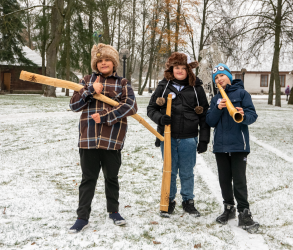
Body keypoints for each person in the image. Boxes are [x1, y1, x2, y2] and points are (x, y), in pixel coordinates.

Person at [68, 43, 137, 233]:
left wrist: (106, 117)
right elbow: (74, 106)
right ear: (95, 64)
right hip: (88, 139)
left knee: (111, 178)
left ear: (114, 63)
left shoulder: (122, 83)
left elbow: (131, 106)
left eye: (107, 60)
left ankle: (114, 211)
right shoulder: (86, 81)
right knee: (88, 179)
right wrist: (90, 90)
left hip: (112, 140)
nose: (103, 63)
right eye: (100, 61)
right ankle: (82, 217)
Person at [147, 52, 210, 218]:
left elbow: (204, 115)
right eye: (177, 67)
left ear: (189, 70)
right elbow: (151, 109)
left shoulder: (197, 88)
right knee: (169, 170)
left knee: (187, 171)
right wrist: (160, 118)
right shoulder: (164, 86)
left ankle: (188, 201)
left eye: (183, 68)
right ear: (171, 68)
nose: (180, 71)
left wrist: (203, 139)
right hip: (168, 137)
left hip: (189, 138)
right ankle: (168, 200)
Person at [206, 63, 259, 233]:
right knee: (224, 180)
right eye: (216, 78)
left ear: (228, 76)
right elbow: (210, 121)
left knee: (239, 180)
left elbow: (252, 115)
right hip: (220, 147)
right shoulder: (215, 99)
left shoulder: (242, 93)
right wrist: (217, 108)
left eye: (221, 75)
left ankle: (244, 212)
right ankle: (229, 208)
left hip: (239, 145)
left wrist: (243, 115)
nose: (219, 79)